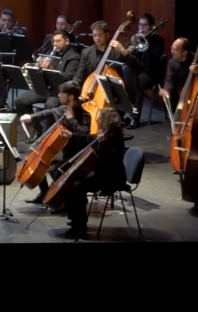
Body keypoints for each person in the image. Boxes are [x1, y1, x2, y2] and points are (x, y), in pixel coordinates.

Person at [20, 82, 92, 205]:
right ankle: (44, 194)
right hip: (62, 150)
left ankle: (62, 199)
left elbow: (85, 133)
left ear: (70, 97)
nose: (58, 95)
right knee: (40, 163)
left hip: (75, 154)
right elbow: (49, 112)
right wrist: (31, 117)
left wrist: (71, 119)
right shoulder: (63, 108)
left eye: (62, 93)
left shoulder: (83, 113)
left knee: (54, 169)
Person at [65, 107, 126, 238]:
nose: (96, 120)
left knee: (78, 186)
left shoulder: (114, 136)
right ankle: (76, 218)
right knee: (74, 183)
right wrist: (72, 135)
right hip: (102, 173)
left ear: (106, 120)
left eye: (99, 118)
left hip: (111, 177)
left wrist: (102, 143)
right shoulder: (105, 133)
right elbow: (89, 138)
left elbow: (112, 157)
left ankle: (79, 225)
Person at [14, 30, 81, 125]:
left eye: (58, 41)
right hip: (46, 89)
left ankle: (46, 131)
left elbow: (68, 77)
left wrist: (51, 69)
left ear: (67, 41)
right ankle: (37, 128)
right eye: (54, 41)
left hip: (59, 91)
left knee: (50, 105)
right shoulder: (52, 54)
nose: (55, 44)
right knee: (20, 101)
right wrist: (39, 69)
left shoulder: (74, 57)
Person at [116, 13, 166, 128]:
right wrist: (128, 52)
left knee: (135, 82)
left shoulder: (159, 41)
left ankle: (132, 117)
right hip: (135, 71)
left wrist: (145, 43)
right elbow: (125, 59)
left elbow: (151, 62)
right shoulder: (135, 38)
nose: (141, 28)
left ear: (151, 27)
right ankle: (126, 116)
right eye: (139, 25)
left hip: (150, 73)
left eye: (144, 25)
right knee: (123, 80)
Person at [73, 21, 125, 87]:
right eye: (95, 35)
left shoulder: (116, 51)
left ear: (107, 34)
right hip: (92, 86)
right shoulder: (86, 52)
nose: (97, 38)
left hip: (112, 87)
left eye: (100, 35)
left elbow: (134, 64)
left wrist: (124, 51)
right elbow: (79, 74)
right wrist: (72, 85)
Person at [160, 37, 197, 107]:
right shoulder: (172, 62)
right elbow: (170, 80)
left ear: (184, 52)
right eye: (171, 48)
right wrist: (166, 91)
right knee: (170, 99)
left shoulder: (195, 59)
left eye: (175, 50)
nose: (172, 51)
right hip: (180, 89)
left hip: (194, 90)